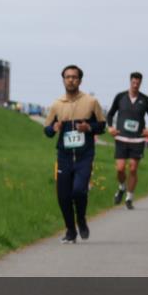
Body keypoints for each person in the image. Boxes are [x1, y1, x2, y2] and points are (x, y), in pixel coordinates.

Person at [43, 65, 106, 243]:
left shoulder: (91, 102)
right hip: (64, 157)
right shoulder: (57, 104)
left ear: (80, 80)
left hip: (84, 156)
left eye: (74, 77)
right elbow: (47, 130)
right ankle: (71, 231)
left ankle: (81, 220)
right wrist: (53, 128)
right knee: (63, 196)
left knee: (78, 191)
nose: (71, 80)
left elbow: (102, 126)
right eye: (67, 77)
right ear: (63, 80)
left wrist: (89, 127)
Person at [106, 71, 148, 210]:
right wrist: (110, 127)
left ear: (140, 83)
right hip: (121, 138)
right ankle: (122, 187)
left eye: (138, 83)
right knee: (120, 168)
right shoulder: (120, 97)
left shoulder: (145, 100)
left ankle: (129, 197)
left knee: (133, 168)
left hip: (137, 140)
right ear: (130, 82)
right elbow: (110, 114)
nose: (135, 85)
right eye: (133, 82)